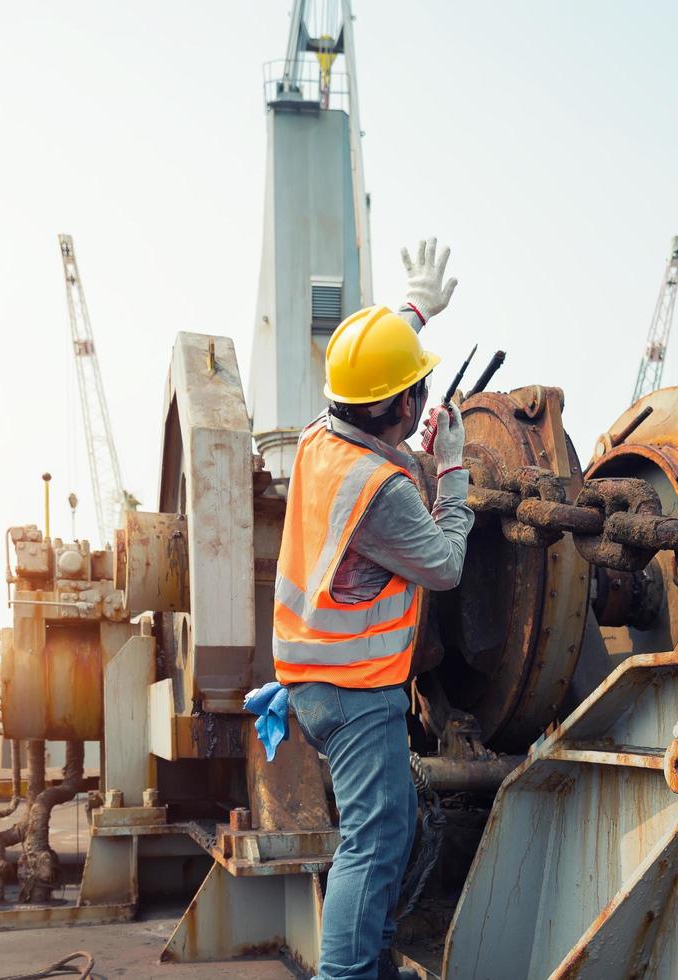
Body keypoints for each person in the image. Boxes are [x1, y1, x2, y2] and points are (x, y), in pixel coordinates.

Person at [273, 239, 471, 980]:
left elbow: (374, 370)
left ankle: (370, 962)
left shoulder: (320, 434)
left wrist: (414, 309)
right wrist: (449, 472)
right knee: (377, 835)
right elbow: (446, 566)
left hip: (309, 672)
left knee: (389, 824)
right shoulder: (381, 491)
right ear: (406, 407)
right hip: (353, 692)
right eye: (416, 389)